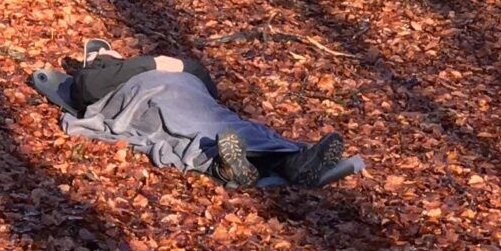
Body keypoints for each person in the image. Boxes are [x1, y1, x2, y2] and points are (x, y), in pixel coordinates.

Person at [29, 39, 361, 189]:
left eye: (108, 50)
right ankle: (225, 163)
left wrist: (166, 67)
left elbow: (203, 80)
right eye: (99, 54)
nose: (106, 52)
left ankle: (294, 159)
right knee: (184, 129)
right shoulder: (95, 75)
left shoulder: (134, 64)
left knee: (225, 122)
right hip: (147, 97)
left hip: (192, 94)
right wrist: (156, 64)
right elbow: (89, 90)